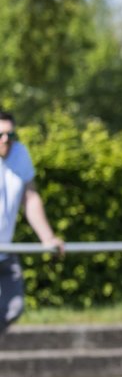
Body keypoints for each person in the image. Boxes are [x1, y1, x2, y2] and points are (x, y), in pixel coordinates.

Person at [0, 112, 65, 334]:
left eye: (11, 134)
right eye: (0, 135)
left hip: (5, 251)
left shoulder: (19, 153)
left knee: (14, 306)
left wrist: (47, 237)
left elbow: (30, 198)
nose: (5, 140)